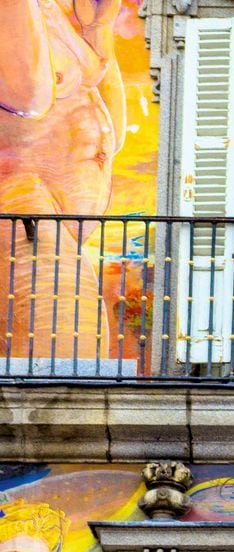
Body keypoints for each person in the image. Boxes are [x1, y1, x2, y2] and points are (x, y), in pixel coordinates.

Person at [0, 0, 127, 363]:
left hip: (54, 220)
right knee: (72, 354)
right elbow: (29, 94)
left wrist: (97, 28)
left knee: (73, 365)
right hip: (20, 209)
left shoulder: (51, 10)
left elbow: (111, 132)